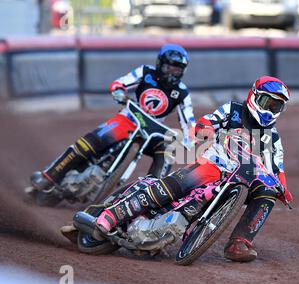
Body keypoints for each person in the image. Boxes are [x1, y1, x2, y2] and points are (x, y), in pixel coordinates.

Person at [94, 76, 294, 262]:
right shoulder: (233, 110)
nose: (269, 110)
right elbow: (209, 120)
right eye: (267, 103)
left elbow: (277, 168)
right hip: (214, 164)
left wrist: (284, 189)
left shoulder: (272, 137)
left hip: (243, 178)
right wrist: (204, 128)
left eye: (276, 106)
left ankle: (239, 243)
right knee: (174, 185)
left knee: (269, 191)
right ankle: (113, 215)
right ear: (254, 96)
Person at [31, 44, 196, 191]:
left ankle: (149, 198)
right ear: (160, 64)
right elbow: (121, 83)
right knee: (88, 144)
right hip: (130, 118)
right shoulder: (145, 72)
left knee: (168, 153)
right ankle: (48, 177)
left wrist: (191, 138)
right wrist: (119, 92)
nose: (172, 74)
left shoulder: (182, 92)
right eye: (169, 68)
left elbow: (188, 120)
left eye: (177, 69)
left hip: (155, 131)